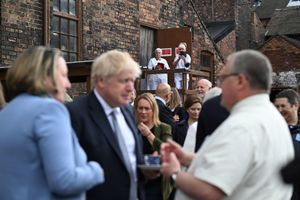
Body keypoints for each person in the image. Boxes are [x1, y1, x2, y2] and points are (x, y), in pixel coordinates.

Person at [160, 49, 295, 200]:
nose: (219, 86)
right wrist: (187, 158)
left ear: (240, 81)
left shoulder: (242, 125)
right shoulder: (270, 116)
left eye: (222, 78)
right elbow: (242, 163)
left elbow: (209, 191)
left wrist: (174, 173)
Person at [0, 46, 104, 200]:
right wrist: (96, 170)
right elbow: (64, 181)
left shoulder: (6, 113)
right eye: (63, 75)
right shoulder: (50, 109)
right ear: (45, 77)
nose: (68, 84)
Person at [66, 49, 145, 200]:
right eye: (124, 81)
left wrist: (146, 170)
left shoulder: (128, 111)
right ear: (101, 81)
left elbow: (130, 160)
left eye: (132, 81)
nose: (131, 88)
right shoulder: (75, 114)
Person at [134, 92, 172, 200]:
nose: (143, 112)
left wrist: (149, 135)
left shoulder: (164, 128)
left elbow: (168, 150)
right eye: (140, 108)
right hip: (137, 179)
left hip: (157, 182)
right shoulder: (131, 128)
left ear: (153, 110)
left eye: (147, 108)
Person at [274, 89, 300, 200]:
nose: (280, 110)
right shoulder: (272, 131)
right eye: (277, 106)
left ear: (295, 105)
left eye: (283, 106)